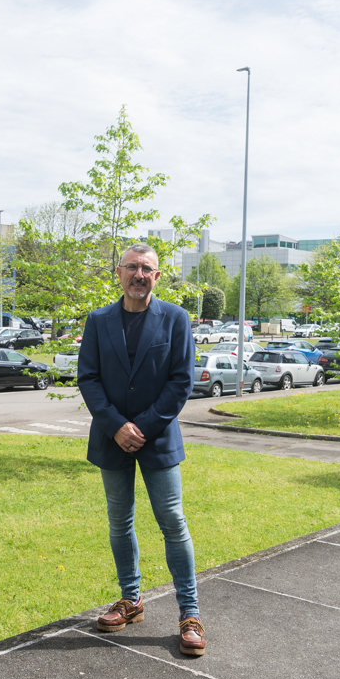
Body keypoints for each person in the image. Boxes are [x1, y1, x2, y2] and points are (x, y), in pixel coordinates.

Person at [76, 243, 205, 656]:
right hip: (111, 439)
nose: (139, 274)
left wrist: (142, 428)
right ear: (119, 272)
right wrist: (116, 427)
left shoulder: (176, 319)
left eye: (147, 268)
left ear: (157, 276)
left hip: (159, 438)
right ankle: (131, 601)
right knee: (119, 522)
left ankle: (190, 615)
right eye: (132, 266)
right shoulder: (98, 321)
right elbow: (89, 378)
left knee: (172, 520)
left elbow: (181, 382)